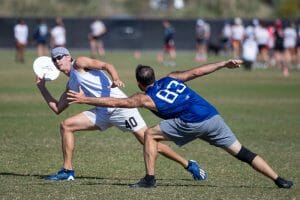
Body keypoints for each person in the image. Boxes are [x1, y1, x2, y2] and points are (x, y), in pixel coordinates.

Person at [67, 60, 293, 189]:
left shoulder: (144, 98)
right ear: (154, 77)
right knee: (242, 152)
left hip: (190, 123)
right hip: (213, 118)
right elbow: (197, 71)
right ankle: (278, 179)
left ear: (139, 82)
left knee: (149, 135)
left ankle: (149, 179)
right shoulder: (172, 78)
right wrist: (224, 63)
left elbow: (116, 101)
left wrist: (85, 99)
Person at [35, 47, 206, 181]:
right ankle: (67, 171)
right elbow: (57, 108)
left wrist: (115, 78)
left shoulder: (79, 63)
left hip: (121, 109)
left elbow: (106, 65)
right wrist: (42, 88)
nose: (57, 61)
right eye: (54, 59)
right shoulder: (72, 82)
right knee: (66, 125)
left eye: (60, 57)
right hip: (102, 111)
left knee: (148, 141)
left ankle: (189, 164)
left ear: (68, 56)